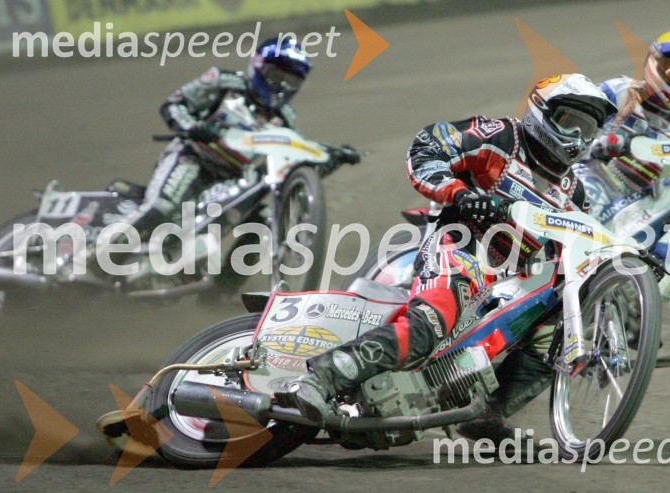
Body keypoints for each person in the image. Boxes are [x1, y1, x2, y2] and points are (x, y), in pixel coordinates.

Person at [279, 74, 618, 442]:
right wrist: (460, 194)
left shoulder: (574, 192)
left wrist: (624, 277)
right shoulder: (502, 136)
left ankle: (488, 414)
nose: (578, 137)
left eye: (588, 129)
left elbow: (582, 246)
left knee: (560, 329)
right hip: (462, 245)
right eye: (571, 123)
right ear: (543, 112)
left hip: (511, 280)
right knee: (431, 323)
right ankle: (320, 378)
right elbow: (427, 146)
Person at [111, 36, 312, 245]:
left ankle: (225, 268)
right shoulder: (223, 82)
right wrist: (191, 127)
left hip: (233, 180)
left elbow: (292, 154)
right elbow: (175, 104)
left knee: (265, 221)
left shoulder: (286, 118)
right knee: (162, 208)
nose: (283, 86)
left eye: (292, 82)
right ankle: (101, 254)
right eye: (277, 76)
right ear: (259, 67)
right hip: (192, 158)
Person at [579, 29, 670, 212]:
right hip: (593, 177)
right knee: (588, 198)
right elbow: (572, 127)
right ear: (656, 64)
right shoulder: (619, 91)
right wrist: (603, 143)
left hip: (637, 204)